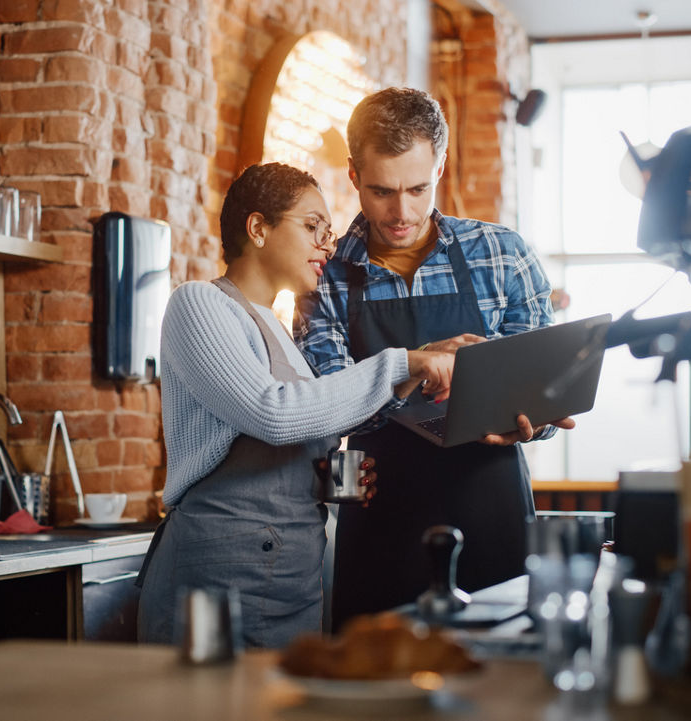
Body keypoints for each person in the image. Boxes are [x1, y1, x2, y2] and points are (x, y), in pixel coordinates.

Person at [136, 162, 454, 649]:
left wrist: (328, 479)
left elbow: (282, 439)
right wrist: (401, 364)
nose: (327, 244)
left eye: (328, 232)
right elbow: (273, 413)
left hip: (290, 581)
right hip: (220, 578)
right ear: (258, 228)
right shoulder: (198, 303)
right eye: (313, 228)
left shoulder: (280, 333)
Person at [295, 87, 576, 629]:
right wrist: (415, 363)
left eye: (418, 188)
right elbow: (326, 405)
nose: (401, 212)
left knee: (500, 688)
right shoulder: (322, 274)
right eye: (381, 191)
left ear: (441, 166)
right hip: (382, 515)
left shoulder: (503, 254)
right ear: (353, 174)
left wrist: (534, 422)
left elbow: (542, 389)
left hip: (491, 504)